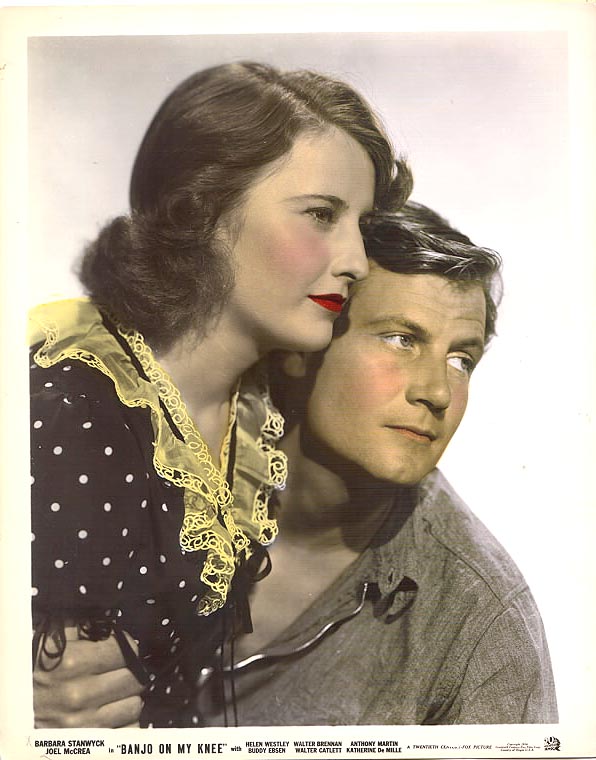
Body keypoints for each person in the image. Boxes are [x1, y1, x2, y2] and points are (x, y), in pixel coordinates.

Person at [33, 202, 558, 725]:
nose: (438, 392)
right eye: (401, 339)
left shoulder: (483, 630)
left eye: (461, 359)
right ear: (300, 344)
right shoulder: (151, 455)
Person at [29, 60, 413, 728]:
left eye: (361, 223)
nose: (356, 260)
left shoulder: (264, 407)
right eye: (321, 214)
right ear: (204, 211)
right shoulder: (71, 407)